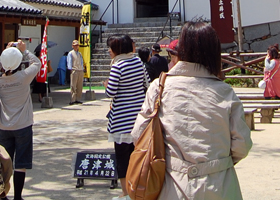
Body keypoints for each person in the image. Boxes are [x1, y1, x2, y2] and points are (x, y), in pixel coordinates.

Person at [131, 22, 252, 200]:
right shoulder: (225, 92)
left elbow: (138, 134)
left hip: (171, 185)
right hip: (221, 185)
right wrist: (218, 163)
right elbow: (242, 144)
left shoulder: (160, 88)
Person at [0, 40, 40, 200]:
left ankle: (2, 194)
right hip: (23, 125)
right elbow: (37, 63)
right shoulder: (23, 77)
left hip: (4, 126)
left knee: (4, 162)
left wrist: (5, 53)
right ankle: (18, 196)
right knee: (21, 163)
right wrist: (23, 51)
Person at [105, 34, 150, 199]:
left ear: (118, 49)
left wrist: (106, 85)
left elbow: (111, 91)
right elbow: (147, 84)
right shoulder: (139, 62)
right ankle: (138, 189)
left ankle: (126, 193)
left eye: (111, 47)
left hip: (122, 121)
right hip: (138, 119)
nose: (109, 51)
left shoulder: (118, 66)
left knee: (123, 160)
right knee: (137, 158)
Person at [67, 39, 85, 105]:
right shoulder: (70, 53)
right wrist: (71, 69)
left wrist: (82, 68)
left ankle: (78, 99)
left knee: (79, 86)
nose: (76, 46)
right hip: (74, 70)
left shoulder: (80, 54)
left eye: (77, 45)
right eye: (75, 45)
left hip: (80, 70)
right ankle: (72, 99)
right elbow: (69, 62)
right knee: (73, 86)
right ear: (72, 46)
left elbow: (81, 62)